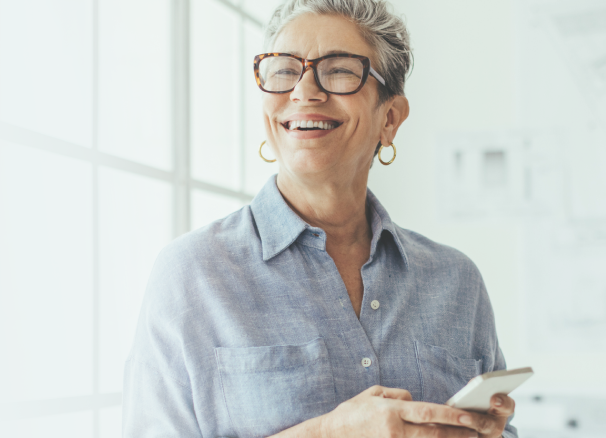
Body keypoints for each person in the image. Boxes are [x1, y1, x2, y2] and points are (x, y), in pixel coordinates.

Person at [122, 0, 518, 437]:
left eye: (341, 70)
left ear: (390, 119)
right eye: (285, 70)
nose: (304, 91)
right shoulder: (193, 274)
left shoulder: (457, 280)